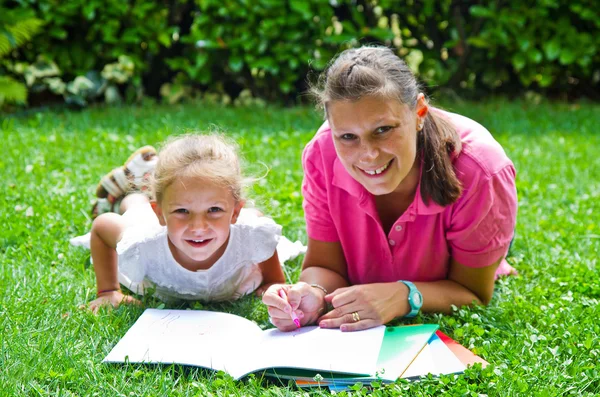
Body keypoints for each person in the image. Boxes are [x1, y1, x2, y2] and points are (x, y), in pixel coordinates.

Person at [262, 46, 517, 332]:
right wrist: (313, 293)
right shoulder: (322, 154)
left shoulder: (480, 170)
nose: (368, 154)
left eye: (383, 129)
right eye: (347, 136)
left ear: (420, 112)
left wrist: (403, 296)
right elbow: (326, 266)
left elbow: (473, 293)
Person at [86, 134, 286, 312]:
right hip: (148, 223)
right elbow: (102, 227)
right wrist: (108, 290)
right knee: (135, 210)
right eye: (182, 211)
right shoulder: (144, 241)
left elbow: (261, 236)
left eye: (214, 210)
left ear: (235, 212)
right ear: (160, 214)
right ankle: (131, 191)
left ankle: (143, 178)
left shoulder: (250, 232)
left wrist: (273, 281)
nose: (198, 227)